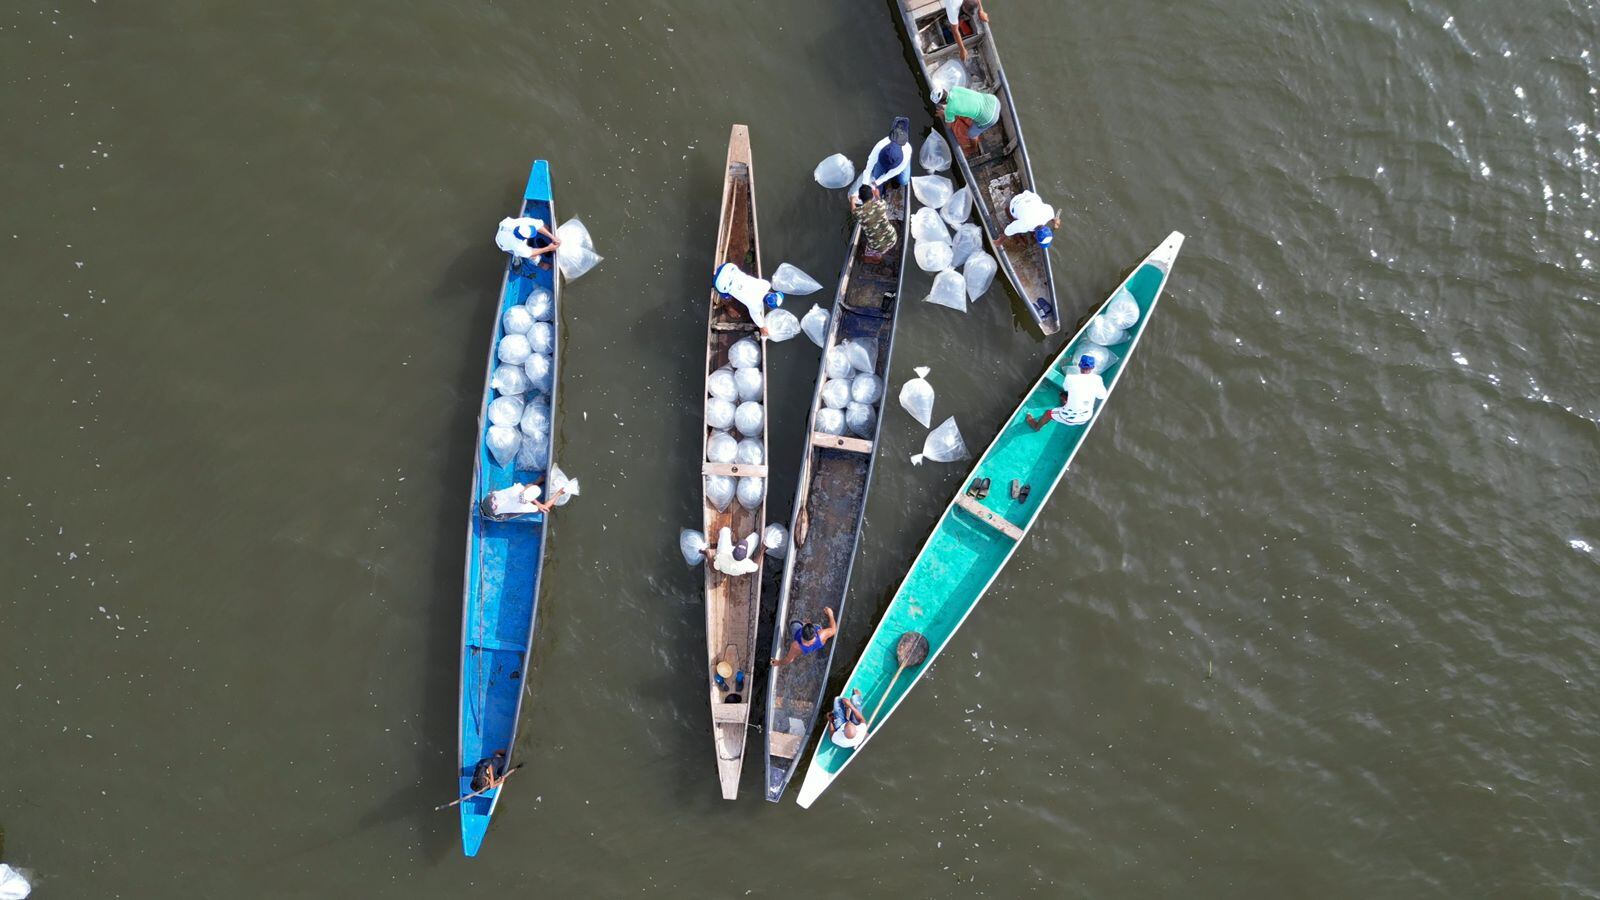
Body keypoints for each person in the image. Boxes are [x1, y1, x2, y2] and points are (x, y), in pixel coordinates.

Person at [1026, 355, 1109, 430]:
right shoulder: (1098, 379)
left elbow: (1066, 388)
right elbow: (1102, 396)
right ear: (1093, 367)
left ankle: (1036, 426)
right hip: (1086, 418)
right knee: (1064, 396)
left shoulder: (1070, 378)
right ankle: (1066, 404)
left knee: (1048, 413)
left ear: (1079, 365)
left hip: (1068, 417)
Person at [713, 262, 784, 335]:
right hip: (720, 283)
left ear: (772, 293)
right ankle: (719, 291)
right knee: (727, 296)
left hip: (728, 267)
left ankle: (717, 272)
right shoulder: (755, 307)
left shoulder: (766, 284)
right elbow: (756, 318)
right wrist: (762, 327)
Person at [932, 85, 1001, 154]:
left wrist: (944, 115)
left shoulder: (949, 110)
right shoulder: (954, 88)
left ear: (941, 103)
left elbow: (948, 126)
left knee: (971, 134)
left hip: (990, 118)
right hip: (994, 101)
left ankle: (974, 148)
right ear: (944, 90)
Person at [770, 607, 838, 667]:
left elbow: (789, 659)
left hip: (799, 638)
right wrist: (830, 614)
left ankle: (802, 623)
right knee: (818, 627)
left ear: (802, 632)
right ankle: (808, 624)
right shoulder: (822, 635)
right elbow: (834, 630)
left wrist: (778, 663)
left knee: (793, 623)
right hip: (817, 640)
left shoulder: (796, 646)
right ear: (815, 634)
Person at [850, 183, 899, 264]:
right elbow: (879, 200)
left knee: (870, 252)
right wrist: (877, 195)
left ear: (859, 197)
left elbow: (853, 211)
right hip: (893, 237)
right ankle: (882, 253)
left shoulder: (859, 213)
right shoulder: (881, 204)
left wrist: (852, 201)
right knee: (882, 245)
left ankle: (875, 258)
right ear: (872, 195)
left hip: (877, 246)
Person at [861, 117, 913, 189]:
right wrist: (865, 184)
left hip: (898, 165)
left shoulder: (906, 153)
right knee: (875, 176)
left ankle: (900, 122)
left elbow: (895, 172)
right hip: (882, 162)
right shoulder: (880, 146)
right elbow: (869, 166)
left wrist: (878, 182)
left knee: (904, 181)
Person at [495, 215, 560, 272]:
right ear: (524, 238)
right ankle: (540, 264)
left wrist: (552, 237)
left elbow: (538, 225)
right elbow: (531, 253)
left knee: (543, 225)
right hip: (503, 244)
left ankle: (550, 232)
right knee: (530, 256)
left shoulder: (523, 222)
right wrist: (548, 248)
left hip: (505, 228)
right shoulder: (518, 246)